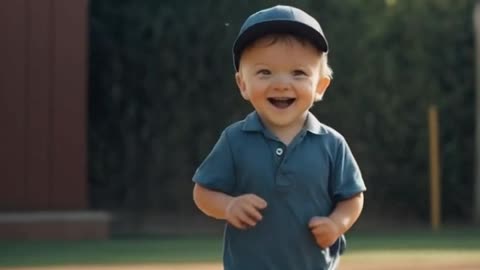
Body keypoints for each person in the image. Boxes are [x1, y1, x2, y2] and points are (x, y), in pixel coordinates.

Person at [192, 5, 366, 270]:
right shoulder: (234, 140)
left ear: (320, 86)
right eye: (265, 72)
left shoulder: (332, 144)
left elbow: (352, 197)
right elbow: (202, 192)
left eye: (298, 73)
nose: (282, 83)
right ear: (242, 84)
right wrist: (228, 206)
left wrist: (336, 224)